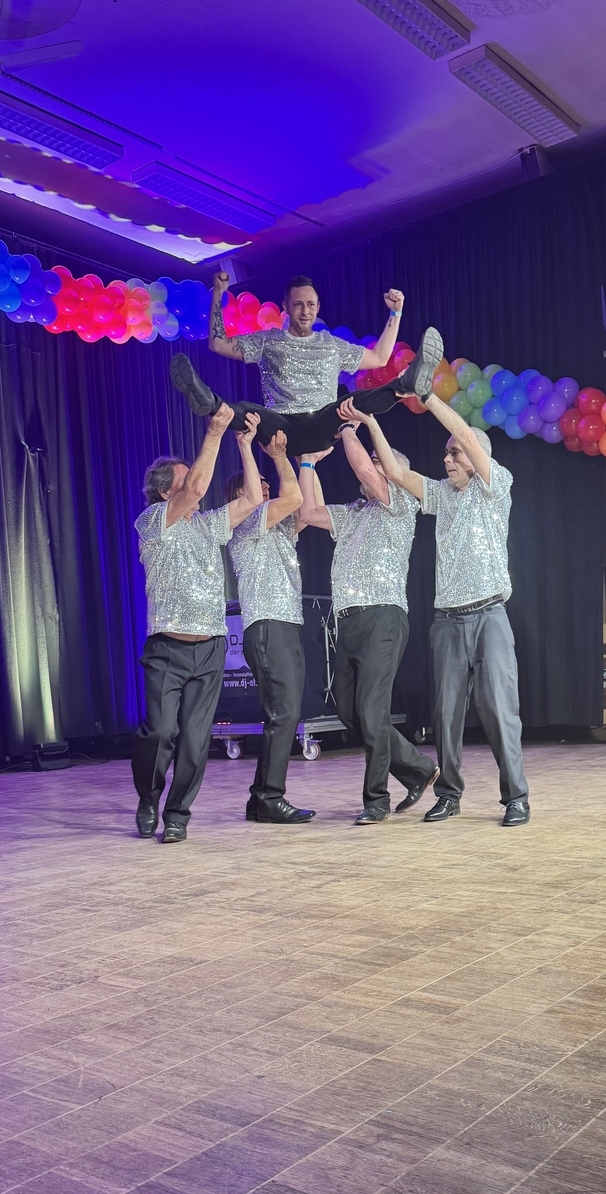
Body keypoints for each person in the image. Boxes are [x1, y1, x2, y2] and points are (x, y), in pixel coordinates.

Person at [374, 395, 530, 827]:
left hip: (490, 615)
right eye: (445, 453)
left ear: (477, 458)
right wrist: (369, 421)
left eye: (455, 452)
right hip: (447, 619)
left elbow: (465, 434)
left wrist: (428, 398)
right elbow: (396, 473)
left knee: (500, 710)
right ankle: (449, 794)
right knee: (445, 714)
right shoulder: (441, 495)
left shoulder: (495, 485)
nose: (447, 458)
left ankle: (516, 797)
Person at [297, 397, 437, 824]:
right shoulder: (353, 513)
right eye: (373, 460)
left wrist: (346, 428)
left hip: (383, 617)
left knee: (373, 711)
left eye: (379, 462)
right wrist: (308, 464)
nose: (370, 465)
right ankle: (417, 769)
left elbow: (364, 471)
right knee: (349, 712)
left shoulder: (400, 504)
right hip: (348, 622)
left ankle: (376, 800)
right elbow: (308, 512)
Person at [132, 405, 262, 843]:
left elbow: (252, 499)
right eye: (186, 481)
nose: (197, 487)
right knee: (160, 731)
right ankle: (148, 798)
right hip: (167, 648)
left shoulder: (207, 526)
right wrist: (215, 432)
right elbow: (198, 487)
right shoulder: (153, 522)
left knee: (194, 738)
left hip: (209, 649)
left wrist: (244, 445)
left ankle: (177, 816)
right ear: (166, 491)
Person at [168, 272, 444, 457]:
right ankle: (208, 402)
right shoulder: (268, 341)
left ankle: (405, 385)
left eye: (311, 305)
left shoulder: (331, 344)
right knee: (249, 410)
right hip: (281, 426)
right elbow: (218, 344)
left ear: (318, 307)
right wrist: (218, 293)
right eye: (298, 305)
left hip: (322, 425)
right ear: (286, 307)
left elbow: (380, 358)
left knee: (351, 402)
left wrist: (396, 312)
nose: (305, 311)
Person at [225, 420, 321, 825]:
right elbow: (292, 495)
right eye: (258, 486)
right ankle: (269, 797)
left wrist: (308, 463)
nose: (266, 489)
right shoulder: (245, 523)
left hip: (284, 623)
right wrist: (279, 458)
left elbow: (307, 507)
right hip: (267, 624)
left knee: (283, 713)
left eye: (268, 485)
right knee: (284, 713)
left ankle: (260, 798)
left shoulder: (277, 528)